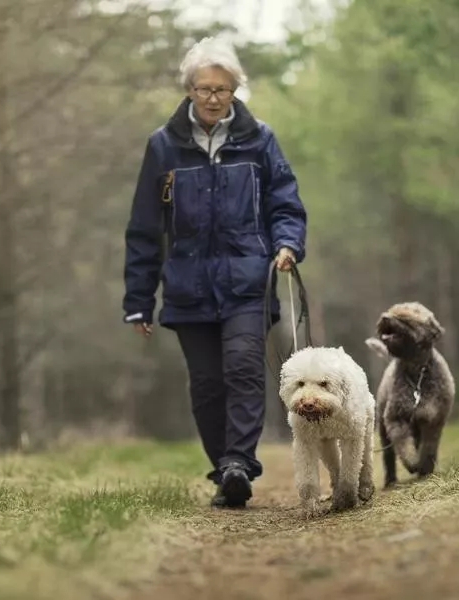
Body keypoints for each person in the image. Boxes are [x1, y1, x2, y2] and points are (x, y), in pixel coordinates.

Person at [122, 36, 307, 508]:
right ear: (188, 91)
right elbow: (145, 228)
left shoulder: (260, 139)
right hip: (187, 286)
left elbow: (285, 200)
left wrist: (287, 243)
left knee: (244, 369)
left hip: (247, 281)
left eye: (222, 90)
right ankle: (224, 468)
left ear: (234, 91)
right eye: (204, 89)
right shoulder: (162, 148)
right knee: (206, 383)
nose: (212, 98)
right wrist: (139, 300)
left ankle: (238, 463)